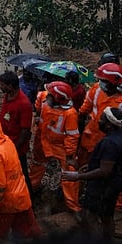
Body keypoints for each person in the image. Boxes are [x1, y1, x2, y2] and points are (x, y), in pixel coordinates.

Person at [62, 107, 122, 239]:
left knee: (89, 215)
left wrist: (78, 176)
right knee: (107, 215)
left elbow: (104, 171)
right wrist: (92, 166)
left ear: (109, 125)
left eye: (101, 119)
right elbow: (114, 161)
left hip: (103, 186)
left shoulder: (109, 143)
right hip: (116, 182)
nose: (98, 121)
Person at [77, 62, 122, 213]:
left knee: (118, 174)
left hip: (114, 145)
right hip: (91, 139)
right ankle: (81, 199)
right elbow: (84, 110)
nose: (99, 83)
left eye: (103, 80)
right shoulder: (96, 90)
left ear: (114, 82)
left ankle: (120, 205)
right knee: (85, 168)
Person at [29, 81, 80, 213]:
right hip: (42, 140)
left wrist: (69, 155)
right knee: (37, 164)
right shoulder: (45, 100)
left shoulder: (70, 114)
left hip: (59, 146)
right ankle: (31, 188)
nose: (48, 96)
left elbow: (72, 136)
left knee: (68, 172)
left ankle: (72, 206)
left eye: (51, 95)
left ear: (58, 98)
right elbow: (38, 108)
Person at [0, 71, 33, 191]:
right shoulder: (7, 96)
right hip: (5, 143)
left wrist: (15, 149)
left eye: (2, 84)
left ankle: (29, 199)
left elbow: (25, 130)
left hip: (16, 146)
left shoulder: (24, 104)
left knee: (21, 173)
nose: (0, 86)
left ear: (10, 86)